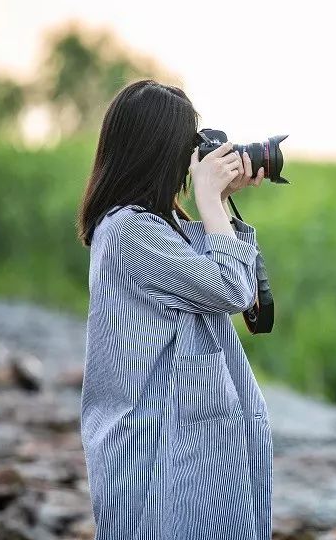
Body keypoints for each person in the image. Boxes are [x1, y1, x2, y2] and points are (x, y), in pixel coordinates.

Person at [75, 79, 272, 539]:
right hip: (156, 449)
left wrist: (219, 199)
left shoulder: (153, 226)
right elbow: (231, 287)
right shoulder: (128, 232)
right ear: (159, 152)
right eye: (188, 146)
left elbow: (220, 276)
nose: (192, 159)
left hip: (179, 440)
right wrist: (208, 197)